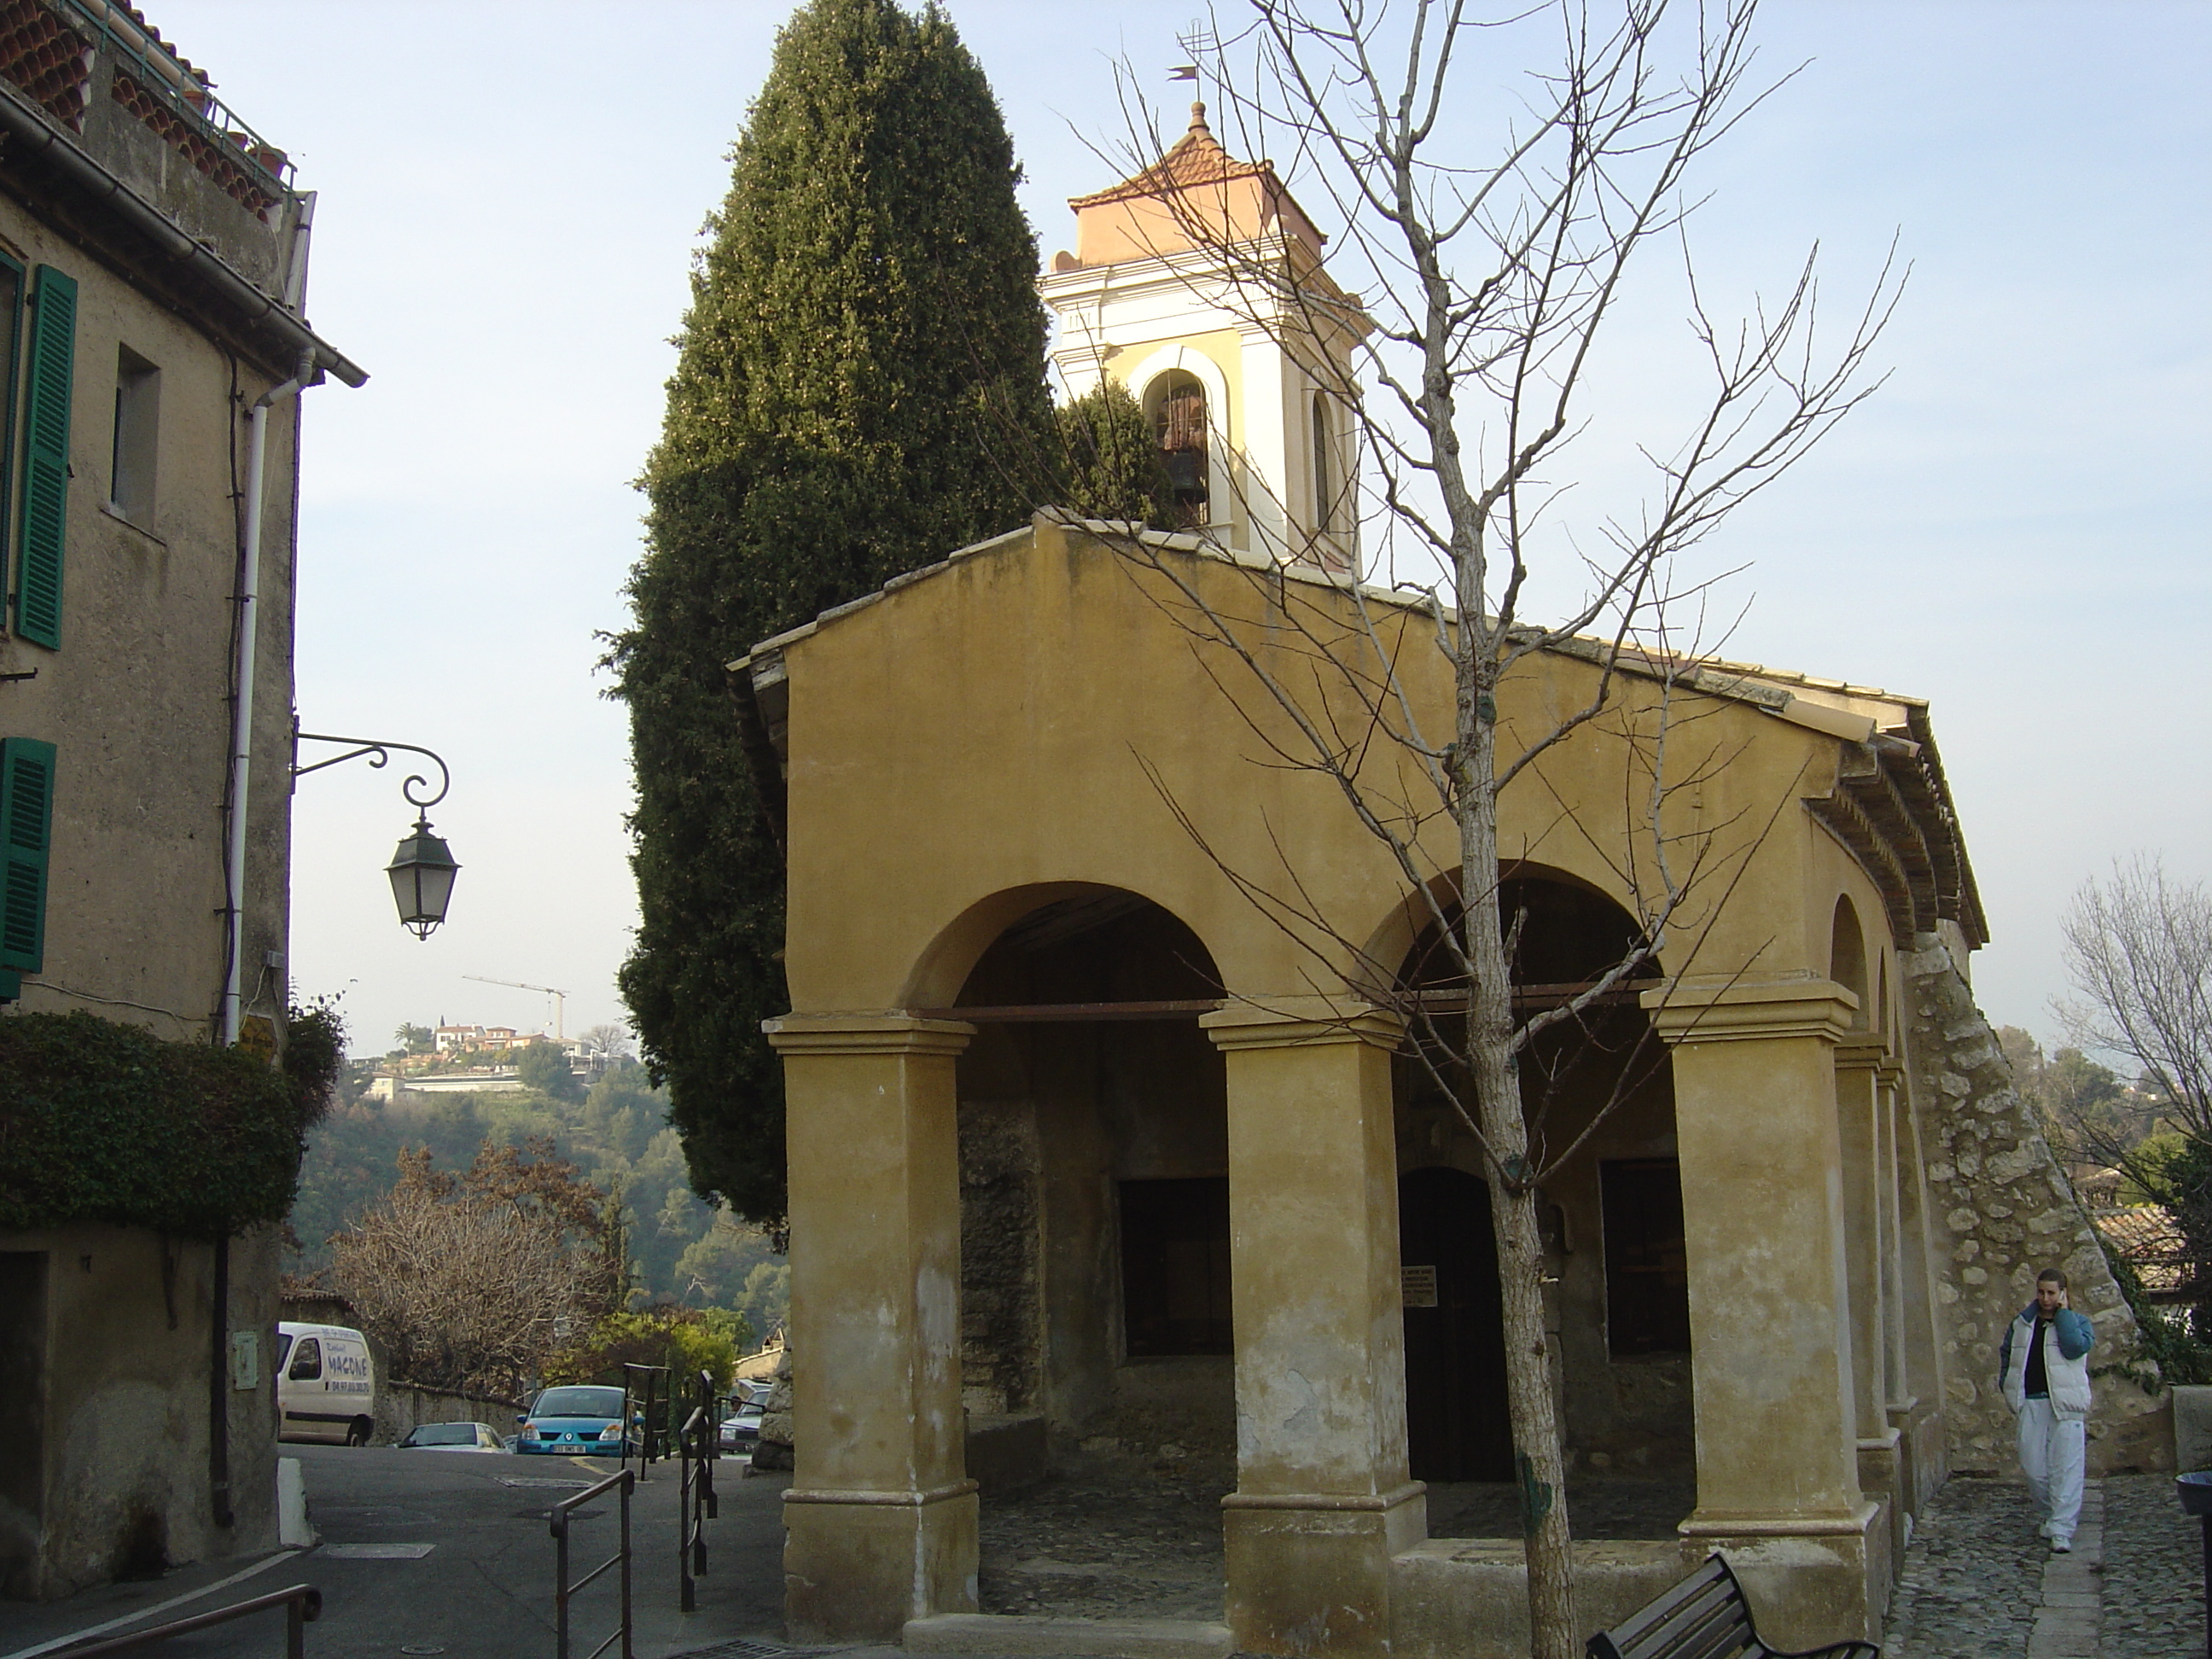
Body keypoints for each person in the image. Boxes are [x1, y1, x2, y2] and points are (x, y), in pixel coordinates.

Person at [1999, 1268, 2094, 1551]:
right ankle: (2050, 1516)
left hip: (2066, 1406)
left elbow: (2075, 1348)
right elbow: (2007, 1354)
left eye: (2052, 1292)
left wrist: (2063, 1315)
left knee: (2067, 1468)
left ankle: (2062, 1529)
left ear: (2063, 1293)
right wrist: (2007, 1385)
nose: (2045, 1298)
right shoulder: (2023, 1324)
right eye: (2041, 1292)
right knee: (2033, 1467)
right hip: (2032, 1402)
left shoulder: (2078, 1323)